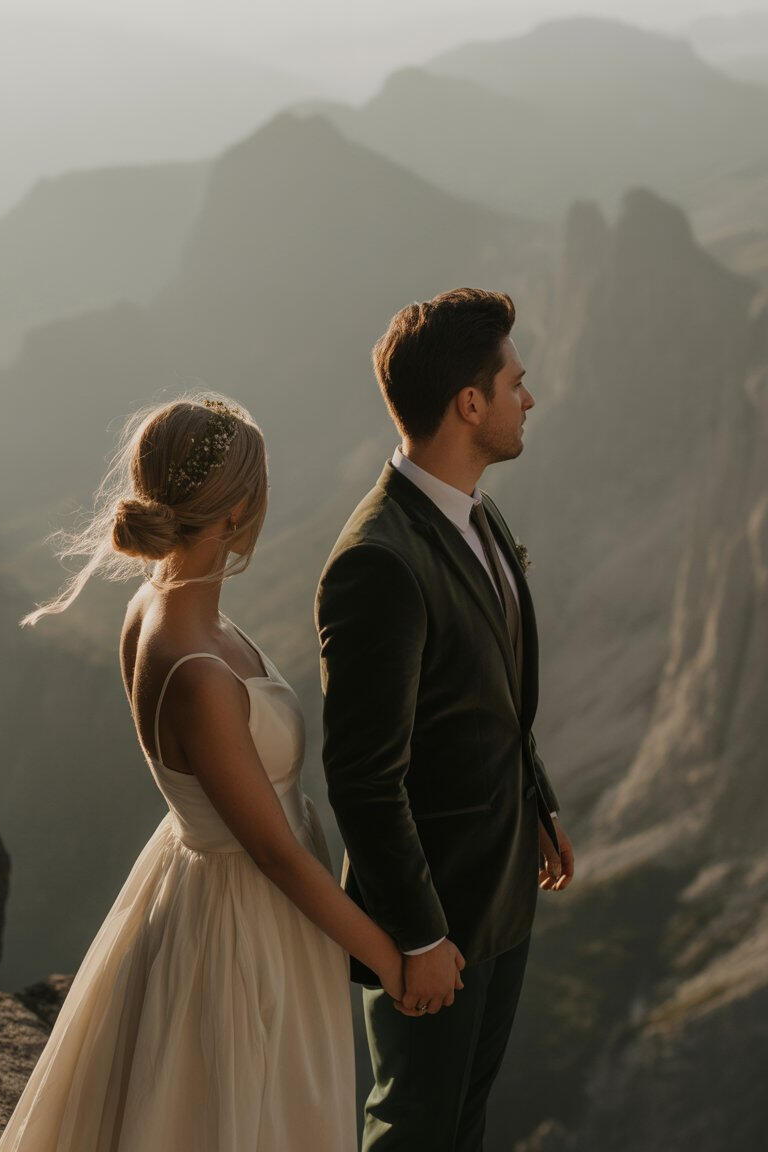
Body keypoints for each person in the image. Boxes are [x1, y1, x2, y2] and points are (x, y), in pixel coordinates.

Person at [0, 393, 413, 1152]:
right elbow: (277, 856)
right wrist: (393, 961)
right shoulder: (200, 676)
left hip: (194, 878)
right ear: (238, 510)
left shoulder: (157, 607)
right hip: (244, 924)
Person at [315, 289, 576, 1151]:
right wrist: (420, 933)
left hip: (502, 888)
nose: (528, 398)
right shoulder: (378, 563)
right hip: (434, 919)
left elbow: (492, 688)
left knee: (464, 1122)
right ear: (471, 404)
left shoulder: (480, 515)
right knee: (414, 1127)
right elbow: (362, 776)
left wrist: (535, 805)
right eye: (516, 381)